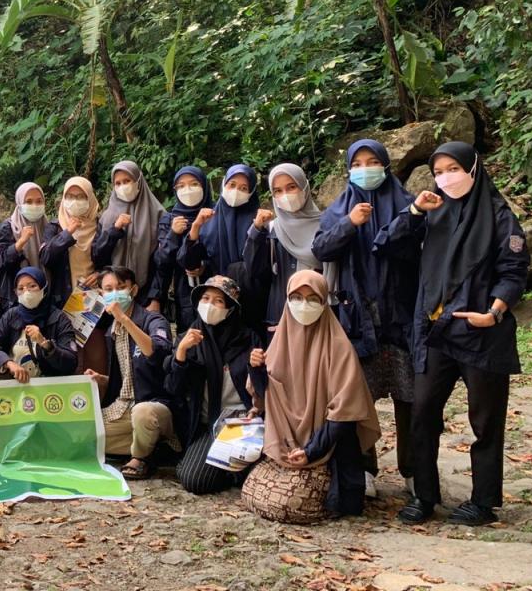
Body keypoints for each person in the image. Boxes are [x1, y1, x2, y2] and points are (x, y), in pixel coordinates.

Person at [381, 142, 529, 526]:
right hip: (436, 330)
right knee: (422, 411)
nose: (446, 177)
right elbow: (388, 245)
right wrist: (414, 211)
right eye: (439, 171)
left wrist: (493, 313)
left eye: (453, 169)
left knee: (485, 420)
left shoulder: (499, 216)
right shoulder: (433, 210)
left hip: (480, 331)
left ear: (473, 169)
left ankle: (483, 502)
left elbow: (514, 270)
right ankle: (424, 495)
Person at [313, 138, 420, 496]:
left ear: (386, 164)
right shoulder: (338, 210)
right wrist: (349, 223)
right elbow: (321, 249)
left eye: (372, 161)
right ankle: (365, 468)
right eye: (357, 164)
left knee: (410, 397)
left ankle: (413, 469)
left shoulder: (407, 203)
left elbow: (420, 247)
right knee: (360, 398)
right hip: (359, 317)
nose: (365, 169)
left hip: (401, 315)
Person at [244, 270, 381, 523]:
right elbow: (267, 399)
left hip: (329, 449)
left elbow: (345, 413)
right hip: (285, 445)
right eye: (296, 298)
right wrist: (256, 369)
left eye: (312, 299)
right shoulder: (280, 342)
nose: (303, 305)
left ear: (324, 302)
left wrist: (311, 451)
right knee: (259, 495)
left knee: (288, 504)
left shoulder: (339, 348)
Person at [81, 267, 179, 480]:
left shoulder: (153, 319)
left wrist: (125, 320)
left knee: (143, 413)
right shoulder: (113, 331)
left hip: (156, 405)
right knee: (83, 436)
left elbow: (157, 352)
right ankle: (152, 446)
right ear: (101, 294)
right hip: (124, 407)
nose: (115, 294)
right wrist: (102, 379)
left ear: (133, 290)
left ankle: (141, 457)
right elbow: (129, 379)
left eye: (121, 287)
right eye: (108, 289)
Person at [164, 275, 258, 495]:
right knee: (194, 480)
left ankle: (230, 469)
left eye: (218, 301)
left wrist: (258, 367)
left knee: (251, 474)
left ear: (230, 309)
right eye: (205, 298)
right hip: (208, 425)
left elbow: (261, 386)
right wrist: (181, 353)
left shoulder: (248, 339)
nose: (210, 305)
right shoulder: (188, 338)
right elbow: (173, 389)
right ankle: (226, 470)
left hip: (242, 424)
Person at [240, 163, 323, 339]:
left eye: (291, 187)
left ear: (304, 187)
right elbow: (254, 270)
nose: (285, 195)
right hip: (279, 315)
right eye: (278, 191)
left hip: (318, 313)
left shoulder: (326, 226)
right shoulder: (272, 229)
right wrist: (256, 231)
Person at [0, 267, 77, 382]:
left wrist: (46, 345)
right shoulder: (11, 315)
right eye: (21, 288)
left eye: (32, 286)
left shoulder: (59, 318)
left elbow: (71, 362)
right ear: (15, 292)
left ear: (44, 287)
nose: (26, 292)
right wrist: (8, 363)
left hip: (47, 382)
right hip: (16, 379)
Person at [179, 166, 259, 315]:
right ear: (223, 184)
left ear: (252, 191)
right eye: (232, 185)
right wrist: (195, 227)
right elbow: (189, 263)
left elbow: (260, 267)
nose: (236, 191)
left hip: (249, 302)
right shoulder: (209, 219)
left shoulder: (258, 222)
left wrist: (258, 230)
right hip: (213, 302)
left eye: (244, 188)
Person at [40, 177, 119, 312]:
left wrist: (100, 274)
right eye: (70, 196)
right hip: (63, 296)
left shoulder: (100, 225)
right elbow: (46, 258)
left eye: (81, 197)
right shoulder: (55, 226)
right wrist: (68, 233)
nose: (75, 201)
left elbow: (110, 258)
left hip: (94, 295)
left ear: (90, 198)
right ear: (63, 199)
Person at [155, 165, 214, 332]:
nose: (187, 190)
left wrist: (205, 265)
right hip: (184, 292)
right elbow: (161, 260)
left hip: (215, 288)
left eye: (194, 184)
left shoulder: (215, 214)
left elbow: (224, 251)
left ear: (204, 185)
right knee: (189, 336)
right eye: (181, 186)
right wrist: (173, 234)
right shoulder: (170, 219)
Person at [99, 161, 166, 308]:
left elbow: (163, 262)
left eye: (127, 181)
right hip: (112, 294)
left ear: (138, 181)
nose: (123, 186)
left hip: (145, 295)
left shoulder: (158, 215)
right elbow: (98, 256)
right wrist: (115, 229)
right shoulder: (107, 217)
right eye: (118, 183)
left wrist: (155, 298)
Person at [0, 183, 49, 314]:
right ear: (19, 203)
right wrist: (20, 243)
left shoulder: (48, 226)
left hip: (45, 295)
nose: (34, 205)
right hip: (16, 300)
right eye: (28, 201)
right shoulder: (7, 228)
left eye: (39, 201)